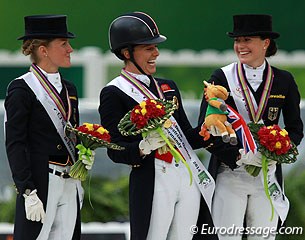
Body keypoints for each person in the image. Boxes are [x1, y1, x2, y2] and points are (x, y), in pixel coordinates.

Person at [98, 11, 226, 240]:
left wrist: (209, 130)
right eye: (148, 48)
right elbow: (114, 149)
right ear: (127, 53)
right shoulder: (113, 92)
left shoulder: (168, 86)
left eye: (155, 47)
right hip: (154, 177)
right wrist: (142, 147)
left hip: (186, 176)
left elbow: (187, 136)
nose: (156, 52)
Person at [198, 14, 304, 240]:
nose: (240, 46)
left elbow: (295, 129)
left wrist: (279, 152)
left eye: (247, 40)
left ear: (265, 43)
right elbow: (204, 129)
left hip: (267, 175)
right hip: (230, 173)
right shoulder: (222, 77)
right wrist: (238, 156)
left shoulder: (283, 80)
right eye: (237, 41)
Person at [5, 15, 84, 240]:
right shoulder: (22, 89)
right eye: (63, 44)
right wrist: (27, 190)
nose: (70, 49)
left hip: (70, 182)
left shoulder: (70, 89)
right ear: (43, 50)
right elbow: (15, 144)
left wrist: (84, 154)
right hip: (40, 184)